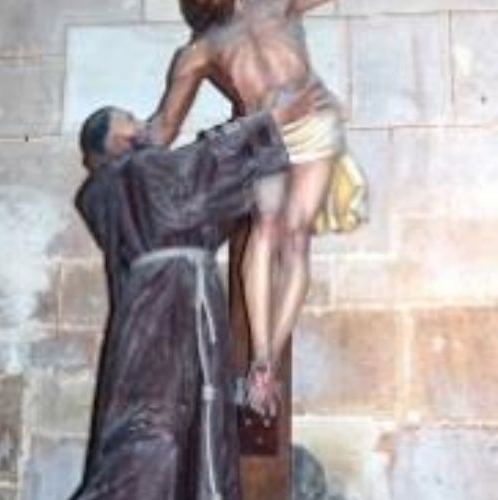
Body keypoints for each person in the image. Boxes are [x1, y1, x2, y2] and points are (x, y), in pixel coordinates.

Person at [69, 89, 326, 500]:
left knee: (180, 430)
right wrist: (265, 123)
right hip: (164, 312)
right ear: (116, 140)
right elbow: (197, 174)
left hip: (168, 305)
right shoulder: (132, 175)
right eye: (131, 119)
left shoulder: (123, 189)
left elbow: (200, 211)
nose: (144, 124)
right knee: (153, 434)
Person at [147, 0, 367, 415]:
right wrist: (118, 143)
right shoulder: (199, 51)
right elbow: (163, 128)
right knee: (265, 228)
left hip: (313, 123)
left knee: (296, 237)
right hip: (265, 135)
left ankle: (267, 362)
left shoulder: (276, 3)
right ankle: (261, 353)